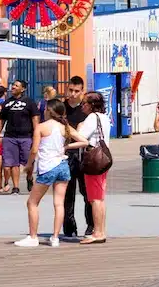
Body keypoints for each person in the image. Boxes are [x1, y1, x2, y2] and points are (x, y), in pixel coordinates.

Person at [14, 99, 88, 248]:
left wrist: (29, 165)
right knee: (59, 203)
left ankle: (33, 236)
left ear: (48, 110)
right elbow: (84, 141)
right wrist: (66, 147)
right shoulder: (65, 127)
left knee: (32, 202)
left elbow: (34, 150)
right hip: (62, 166)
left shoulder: (41, 127)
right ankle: (55, 237)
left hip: (48, 167)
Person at [76, 91, 113, 245]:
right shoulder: (104, 117)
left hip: (93, 159)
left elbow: (81, 136)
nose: (82, 106)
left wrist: (76, 128)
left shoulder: (91, 118)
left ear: (91, 105)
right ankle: (101, 230)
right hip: (103, 158)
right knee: (99, 197)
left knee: (95, 198)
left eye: (84, 103)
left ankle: (97, 232)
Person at [0, 79, 39, 195]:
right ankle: (16, 187)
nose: (13, 87)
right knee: (13, 163)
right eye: (13, 85)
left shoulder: (29, 102)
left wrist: (36, 134)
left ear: (23, 89)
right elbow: (1, 120)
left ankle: (29, 178)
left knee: (28, 162)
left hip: (26, 137)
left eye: (16, 85)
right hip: (10, 137)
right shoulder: (7, 103)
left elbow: (35, 119)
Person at [62, 76, 92, 239]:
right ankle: (69, 227)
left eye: (76, 91)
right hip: (66, 153)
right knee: (67, 193)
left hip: (85, 154)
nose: (72, 94)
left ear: (82, 91)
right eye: (70, 90)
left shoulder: (86, 110)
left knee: (87, 192)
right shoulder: (62, 108)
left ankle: (91, 225)